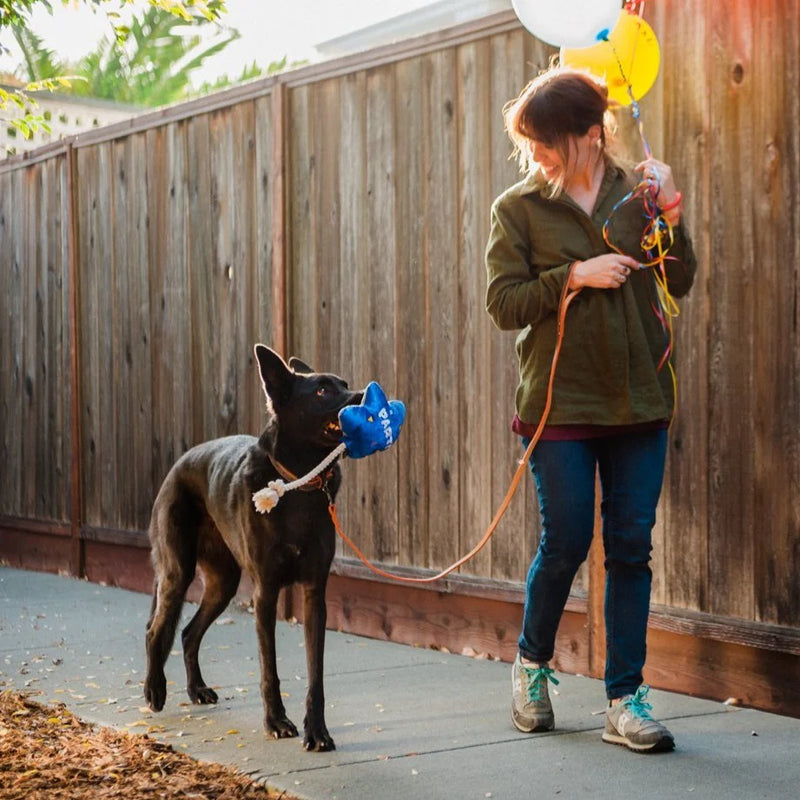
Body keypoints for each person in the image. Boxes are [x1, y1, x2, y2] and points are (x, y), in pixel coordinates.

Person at [484, 65, 697, 753]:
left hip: (638, 399)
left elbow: (682, 278)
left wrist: (671, 217)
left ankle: (625, 699)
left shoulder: (639, 192)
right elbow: (503, 305)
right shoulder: (517, 209)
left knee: (632, 547)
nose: (535, 156)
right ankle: (532, 663)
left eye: (545, 142)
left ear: (587, 133)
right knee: (568, 541)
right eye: (530, 145)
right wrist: (573, 274)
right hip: (559, 403)